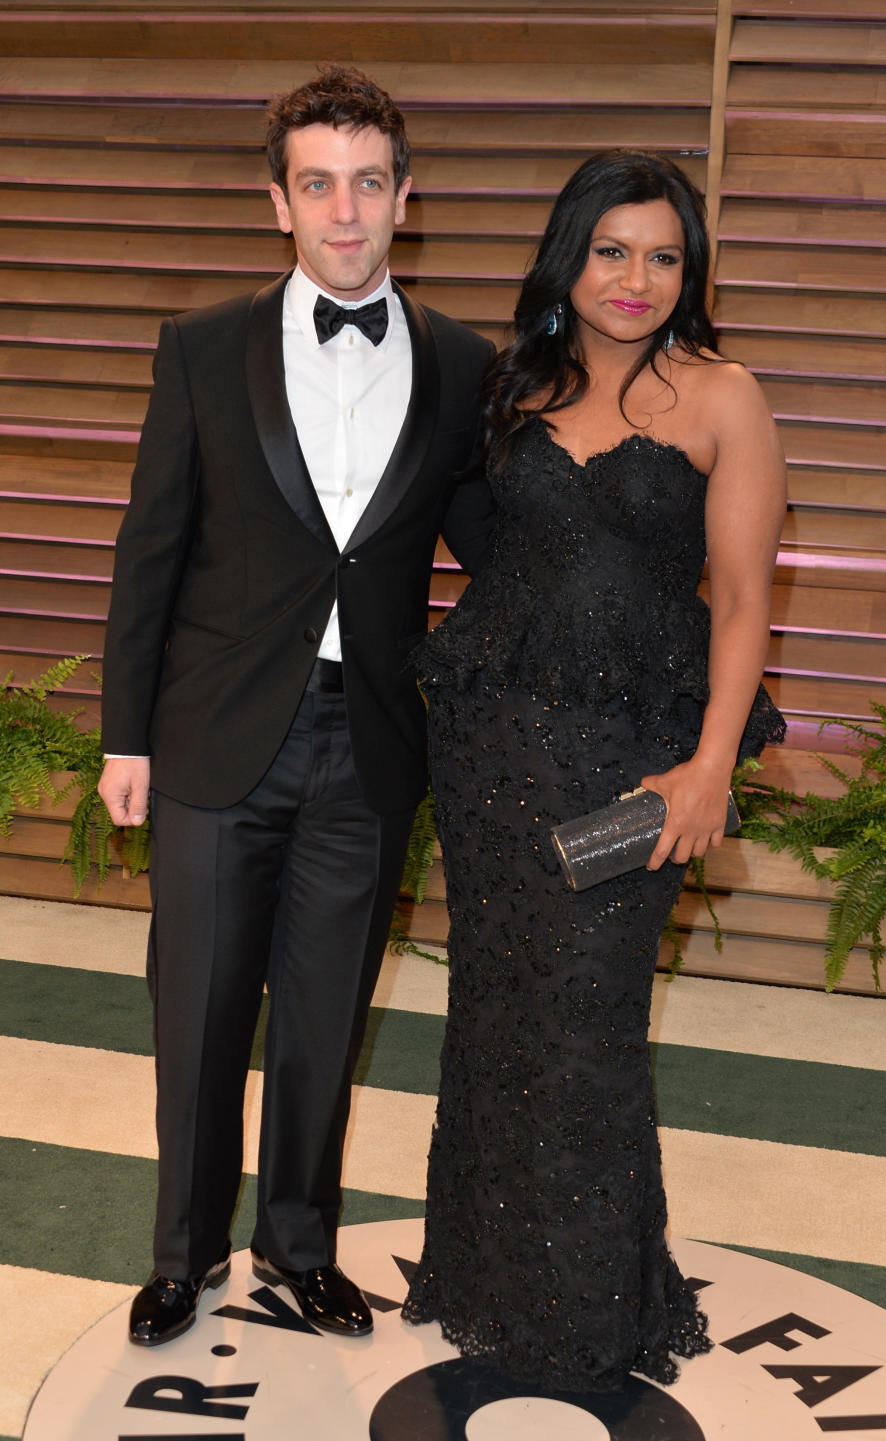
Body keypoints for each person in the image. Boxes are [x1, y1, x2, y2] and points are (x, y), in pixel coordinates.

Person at [97, 64, 494, 1348]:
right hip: (215, 734)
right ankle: (184, 1254)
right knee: (200, 1011)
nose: (344, 210)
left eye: (368, 183)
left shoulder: (460, 365)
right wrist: (125, 733)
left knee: (328, 1012)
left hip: (369, 743)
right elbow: (148, 548)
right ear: (279, 202)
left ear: (404, 198)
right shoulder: (202, 346)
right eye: (317, 184)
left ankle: (299, 1246)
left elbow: (496, 546)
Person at [401, 150, 787, 1392]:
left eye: (664, 255)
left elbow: (741, 601)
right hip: (495, 742)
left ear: (692, 271)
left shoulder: (725, 395)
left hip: (639, 754)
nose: (637, 278)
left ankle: (587, 1304)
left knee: (592, 1024)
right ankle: (479, 1274)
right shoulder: (516, 384)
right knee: (497, 1011)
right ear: (570, 254)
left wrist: (711, 765)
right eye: (613, 249)